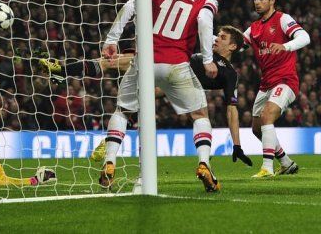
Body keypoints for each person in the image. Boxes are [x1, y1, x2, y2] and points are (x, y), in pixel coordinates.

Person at [41, 25, 253, 166]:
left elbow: (232, 109)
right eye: (217, 35)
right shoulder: (207, 54)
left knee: (136, 94)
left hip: (178, 83)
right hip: (168, 69)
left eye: (222, 38)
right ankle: (62, 71)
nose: (216, 39)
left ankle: (110, 140)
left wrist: (237, 144)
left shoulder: (229, 74)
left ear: (233, 46)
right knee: (116, 65)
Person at [243, 0, 310, 178]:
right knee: (257, 129)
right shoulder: (254, 28)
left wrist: (286, 46)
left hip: (285, 80)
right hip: (266, 84)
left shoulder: (282, 19)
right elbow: (239, 45)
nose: (256, 2)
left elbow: (304, 37)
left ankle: (267, 167)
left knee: (267, 116)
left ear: (272, 1)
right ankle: (286, 163)